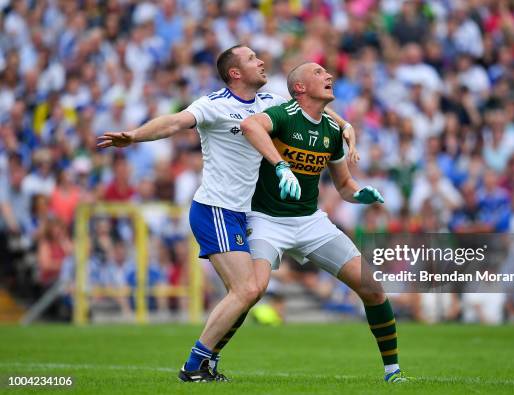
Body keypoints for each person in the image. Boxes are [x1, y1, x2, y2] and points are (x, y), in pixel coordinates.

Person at [97, 46, 356, 382]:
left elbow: (307, 109)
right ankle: (193, 366)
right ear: (235, 72)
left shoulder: (270, 103)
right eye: (252, 59)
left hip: (243, 213)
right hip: (216, 208)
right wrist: (134, 136)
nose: (261, 62)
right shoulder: (214, 104)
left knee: (251, 290)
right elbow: (175, 122)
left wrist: (345, 123)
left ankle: (206, 362)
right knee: (247, 289)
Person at [240, 62, 409, 383]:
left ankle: (393, 372)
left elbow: (345, 186)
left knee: (372, 289)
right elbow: (250, 126)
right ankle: (207, 359)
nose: (328, 76)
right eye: (319, 73)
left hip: (310, 221)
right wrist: (280, 166)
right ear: (300, 87)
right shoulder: (283, 115)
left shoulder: (332, 131)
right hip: (266, 219)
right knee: (252, 290)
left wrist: (362, 194)